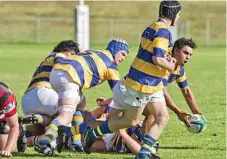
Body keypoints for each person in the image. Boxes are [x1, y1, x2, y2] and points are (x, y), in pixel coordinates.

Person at [82, 1, 181, 159]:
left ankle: (144, 153)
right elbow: (157, 58)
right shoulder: (164, 32)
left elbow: (151, 54)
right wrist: (171, 65)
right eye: (178, 14)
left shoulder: (153, 26)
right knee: (129, 121)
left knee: (162, 117)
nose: (179, 17)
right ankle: (93, 134)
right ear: (173, 14)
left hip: (150, 82)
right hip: (142, 83)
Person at [35, 38, 130, 156]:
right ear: (115, 49)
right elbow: (118, 94)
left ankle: (76, 143)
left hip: (58, 72)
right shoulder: (111, 66)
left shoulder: (93, 51)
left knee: (81, 104)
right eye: (123, 54)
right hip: (69, 77)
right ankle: (44, 141)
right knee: (66, 116)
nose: (123, 58)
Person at [19, 40, 80, 152]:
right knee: (69, 112)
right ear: (67, 51)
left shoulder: (46, 60)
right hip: (46, 93)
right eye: (73, 55)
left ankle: (28, 134)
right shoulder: (62, 58)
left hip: (28, 100)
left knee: (46, 126)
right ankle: (74, 143)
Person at [143, 38, 202, 132]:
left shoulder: (179, 69)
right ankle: (142, 143)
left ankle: (140, 141)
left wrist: (196, 112)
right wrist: (177, 111)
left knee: (150, 114)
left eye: (190, 55)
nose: (188, 57)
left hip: (146, 92)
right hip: (133, 88)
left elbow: (186, 91)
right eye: (185, 53)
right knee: (152, 114)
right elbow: (162, 91)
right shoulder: (164, 62)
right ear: (177, 50)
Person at [0, 82, 20, 157]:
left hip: (3, 114)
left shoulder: (5, 97)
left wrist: (7, 150)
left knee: (3, 147)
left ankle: (20, 132)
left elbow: (14, 126)